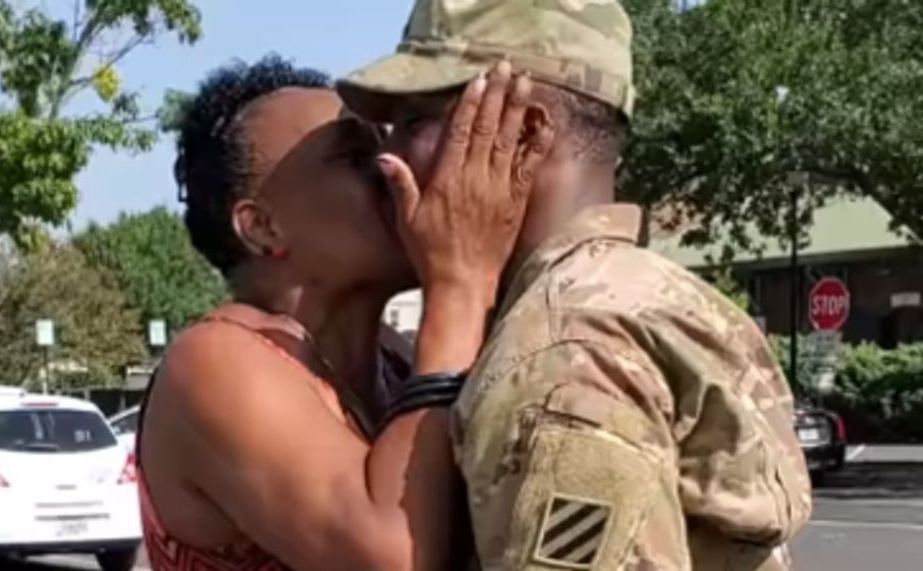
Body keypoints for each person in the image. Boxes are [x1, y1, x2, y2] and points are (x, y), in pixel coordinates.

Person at [338, 1, 813, 570]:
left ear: (524, 131)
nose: (387, 156)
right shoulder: (651, 292)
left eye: (414, 121)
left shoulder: (559, 351)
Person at [137, 55, 552, 571]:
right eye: (357, 158)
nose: (395, 168)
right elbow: (392, 557)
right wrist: (460, 282)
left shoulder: (397, 363)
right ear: (263, 227)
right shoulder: (213, 362)